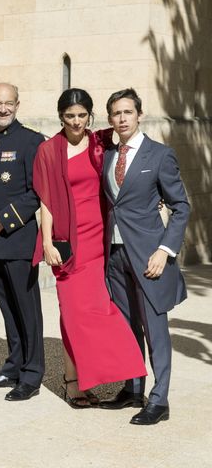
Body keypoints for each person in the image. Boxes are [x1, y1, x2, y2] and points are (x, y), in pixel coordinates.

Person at [32, 88, 147, 408]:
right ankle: (73, 382)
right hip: (68, 245)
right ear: (61, 117)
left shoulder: (100, 142)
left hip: (100, 240)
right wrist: (47, 242)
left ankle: (119, 373)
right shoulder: (48, 150)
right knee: (71, 313)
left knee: (100, 311)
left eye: (82, 115)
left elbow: (135, 151)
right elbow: (46, 201)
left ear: (90, 116)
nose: (76, 122)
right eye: (70, 116)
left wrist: (154, 193)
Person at [100, 88, 189, 425]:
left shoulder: (160, 155)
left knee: (155, 330)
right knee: (126, 328)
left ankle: (159, 398)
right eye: (116, 114)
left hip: (149, 257)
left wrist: (164, 251)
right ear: (110, 119)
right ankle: (132, 388)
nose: (122, 118)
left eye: (127, 112)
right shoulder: (109, 155)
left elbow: (181, 207)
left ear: (139, 115)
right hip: (116, 256)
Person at [0, 83, 45, 401]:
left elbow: (37, 192)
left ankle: (32, 373)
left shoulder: (32, 141)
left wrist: (5, 220)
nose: (2, 109)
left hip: (17, 241)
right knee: (7, 309)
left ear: (17, 104)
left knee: (27, 310)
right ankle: (13, 366)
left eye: (8, 103)